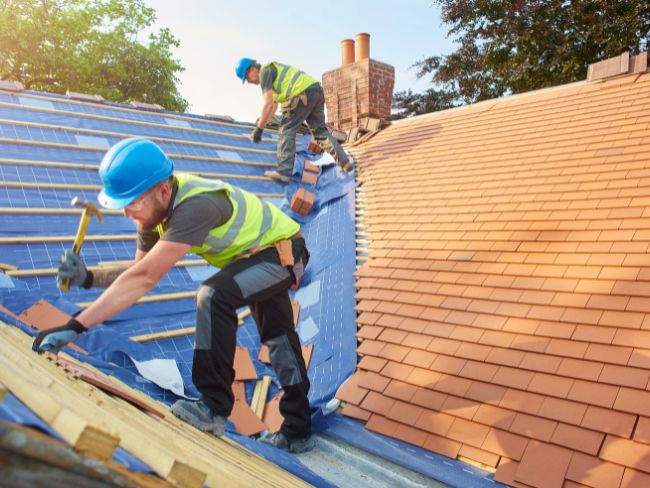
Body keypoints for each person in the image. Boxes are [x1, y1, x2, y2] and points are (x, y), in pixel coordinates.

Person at [32, 137, 314, 453]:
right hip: (254, 257)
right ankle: (298, 430)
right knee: (278, 339)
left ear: (164, 191)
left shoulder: (197, 206)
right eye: (122, 204)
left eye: (133, 203)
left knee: (213, 296)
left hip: (283, 252)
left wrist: (75, 326)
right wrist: (88, 278)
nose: (127, 213)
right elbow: (138, 271)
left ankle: (213, 407)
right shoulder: (152, 213)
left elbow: (144, 279)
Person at [235, 57, 351, 183]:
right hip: (315, 90)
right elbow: (272, 107)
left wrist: (258, 130)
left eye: (247, 78)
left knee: (286, 130)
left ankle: (284, 172)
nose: (249, 82)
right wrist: (263, 124)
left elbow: (267, 104)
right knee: (320, 133)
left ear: (252, 69)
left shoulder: (264, 73)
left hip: (301, 94)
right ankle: (344, 162)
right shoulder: (273, 73)